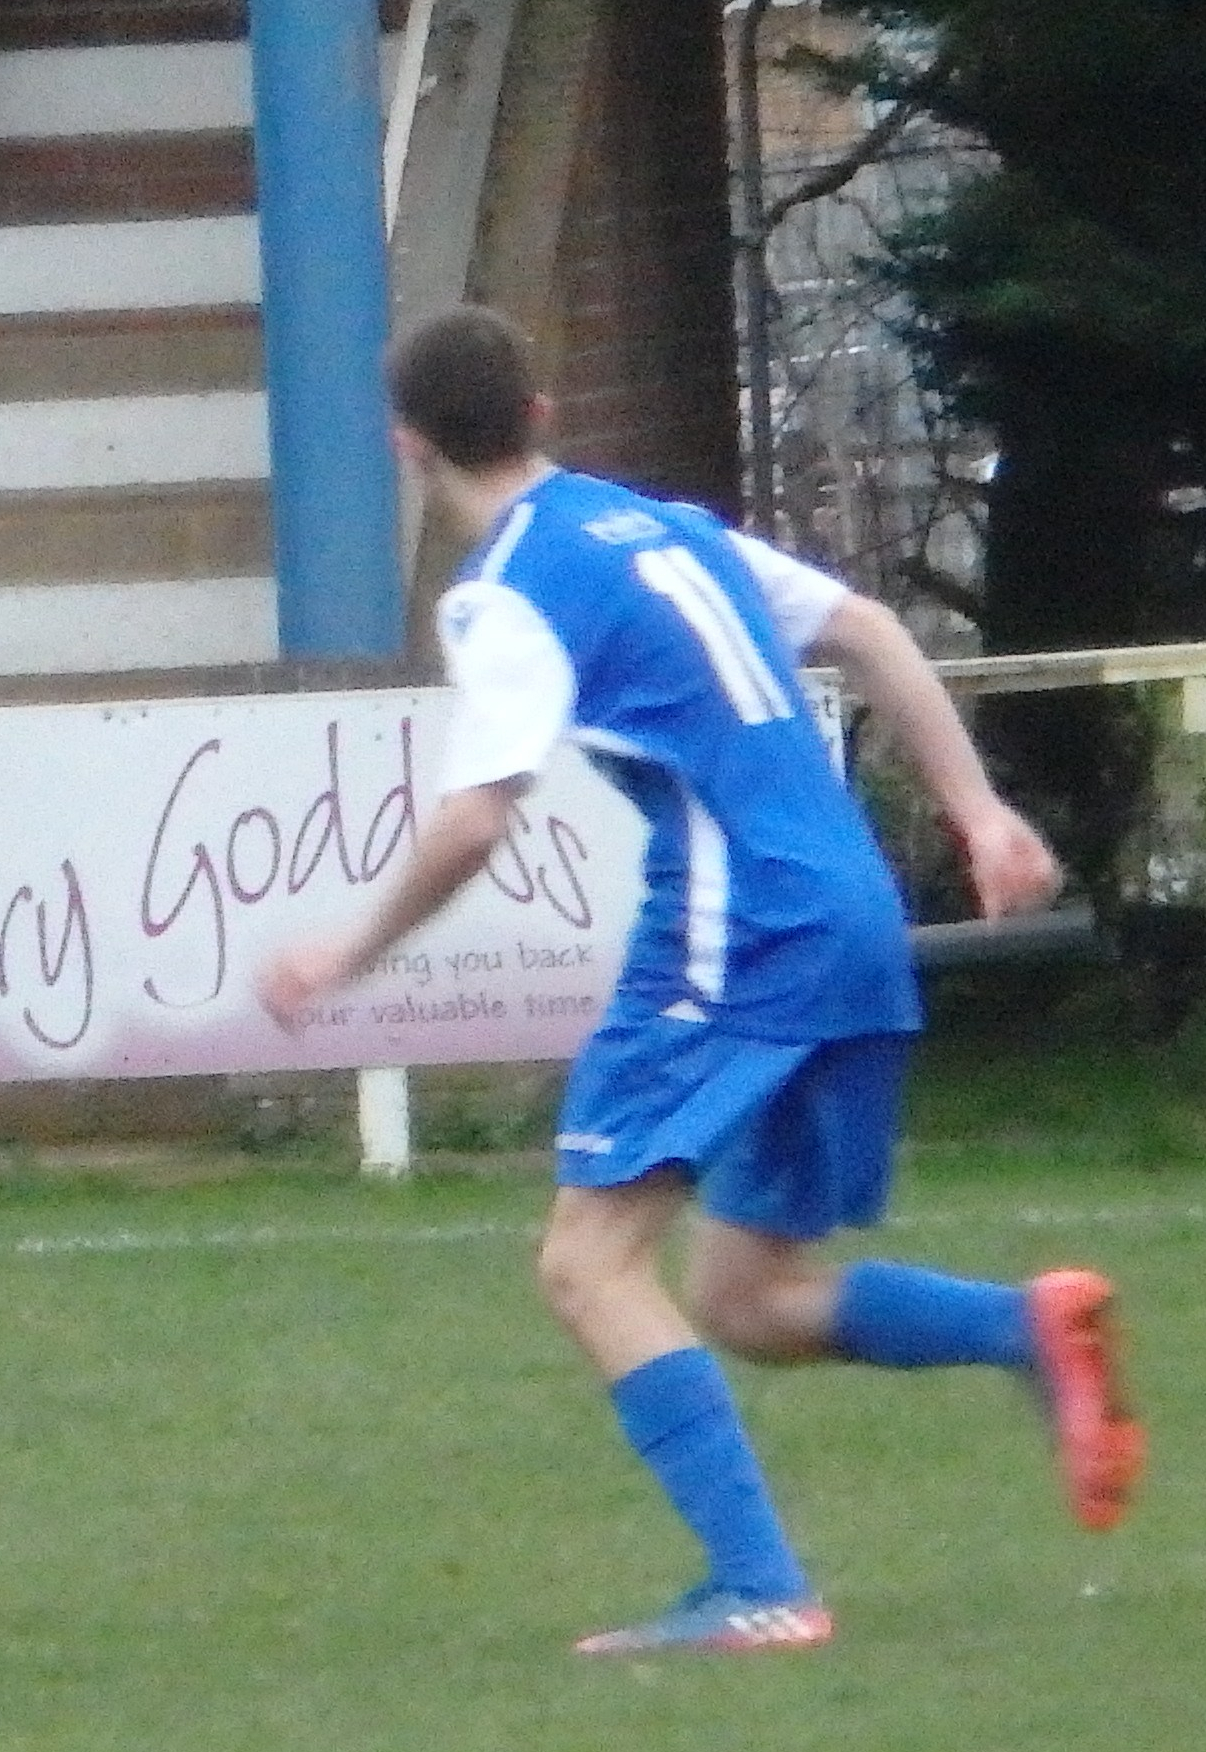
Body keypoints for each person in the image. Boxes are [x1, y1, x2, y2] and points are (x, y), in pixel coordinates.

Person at [261, 304, 1145, 1656]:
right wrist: (976, 811)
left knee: (587, 1260)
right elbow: (867, 629)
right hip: (848, 910)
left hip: (740, 925)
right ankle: (1026, 1329)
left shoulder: (506, 592)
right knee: (748, 1300)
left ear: (407, 447)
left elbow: (475, 820)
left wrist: (345, 951)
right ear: (543, 415)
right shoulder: (658, 525)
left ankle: (760, 1588)